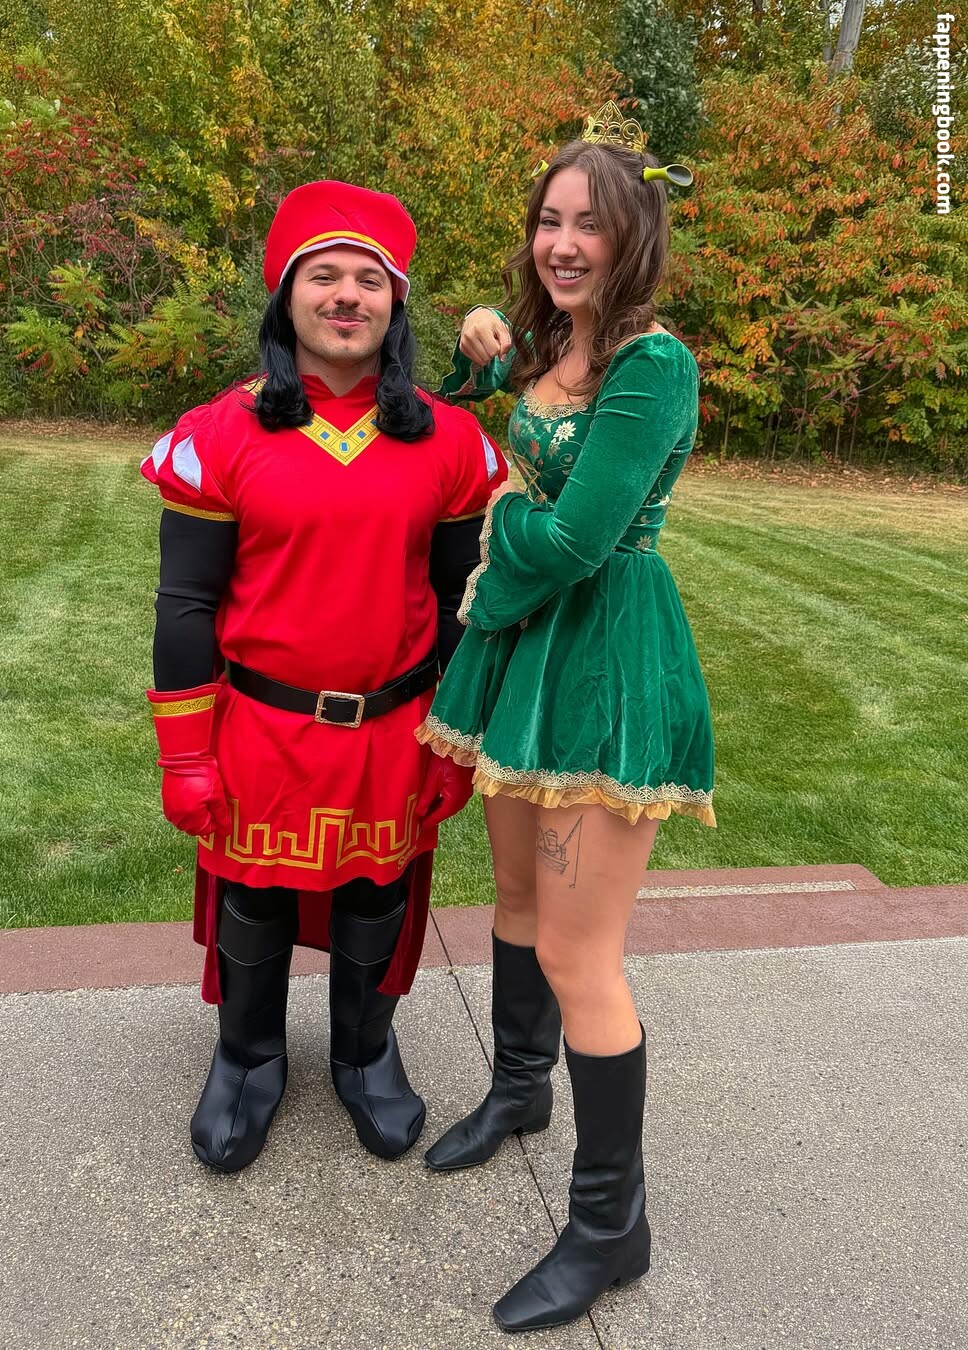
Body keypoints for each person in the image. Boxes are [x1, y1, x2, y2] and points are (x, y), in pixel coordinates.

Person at [415, 102, 715, 1333]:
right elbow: (456, 389)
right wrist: (476, 341)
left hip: (602, 655)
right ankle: (519, 1089)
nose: (565, 242)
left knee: (581, 956)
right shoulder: (554, 343)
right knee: (518, 904)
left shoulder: (652, 366)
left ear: (634, 234)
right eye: (550, 219)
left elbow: (581, 538)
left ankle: (608, 1229)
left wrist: (497, 518)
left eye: (592, 222)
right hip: (534, 651)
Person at [142, 180, 508, 1173]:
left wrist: (456, 740)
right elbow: (186, 606)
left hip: (395, 728)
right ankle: (247, 1060)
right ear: (286, 297)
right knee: (254, 898)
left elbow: (464, 603)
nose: (347, 296)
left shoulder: (448, 440)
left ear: (395, 304)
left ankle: (364, 1055)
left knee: (375, 894)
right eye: (324, 275)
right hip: (260, 730)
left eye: (369, 280)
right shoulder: (220, 434)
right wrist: (185, 757)